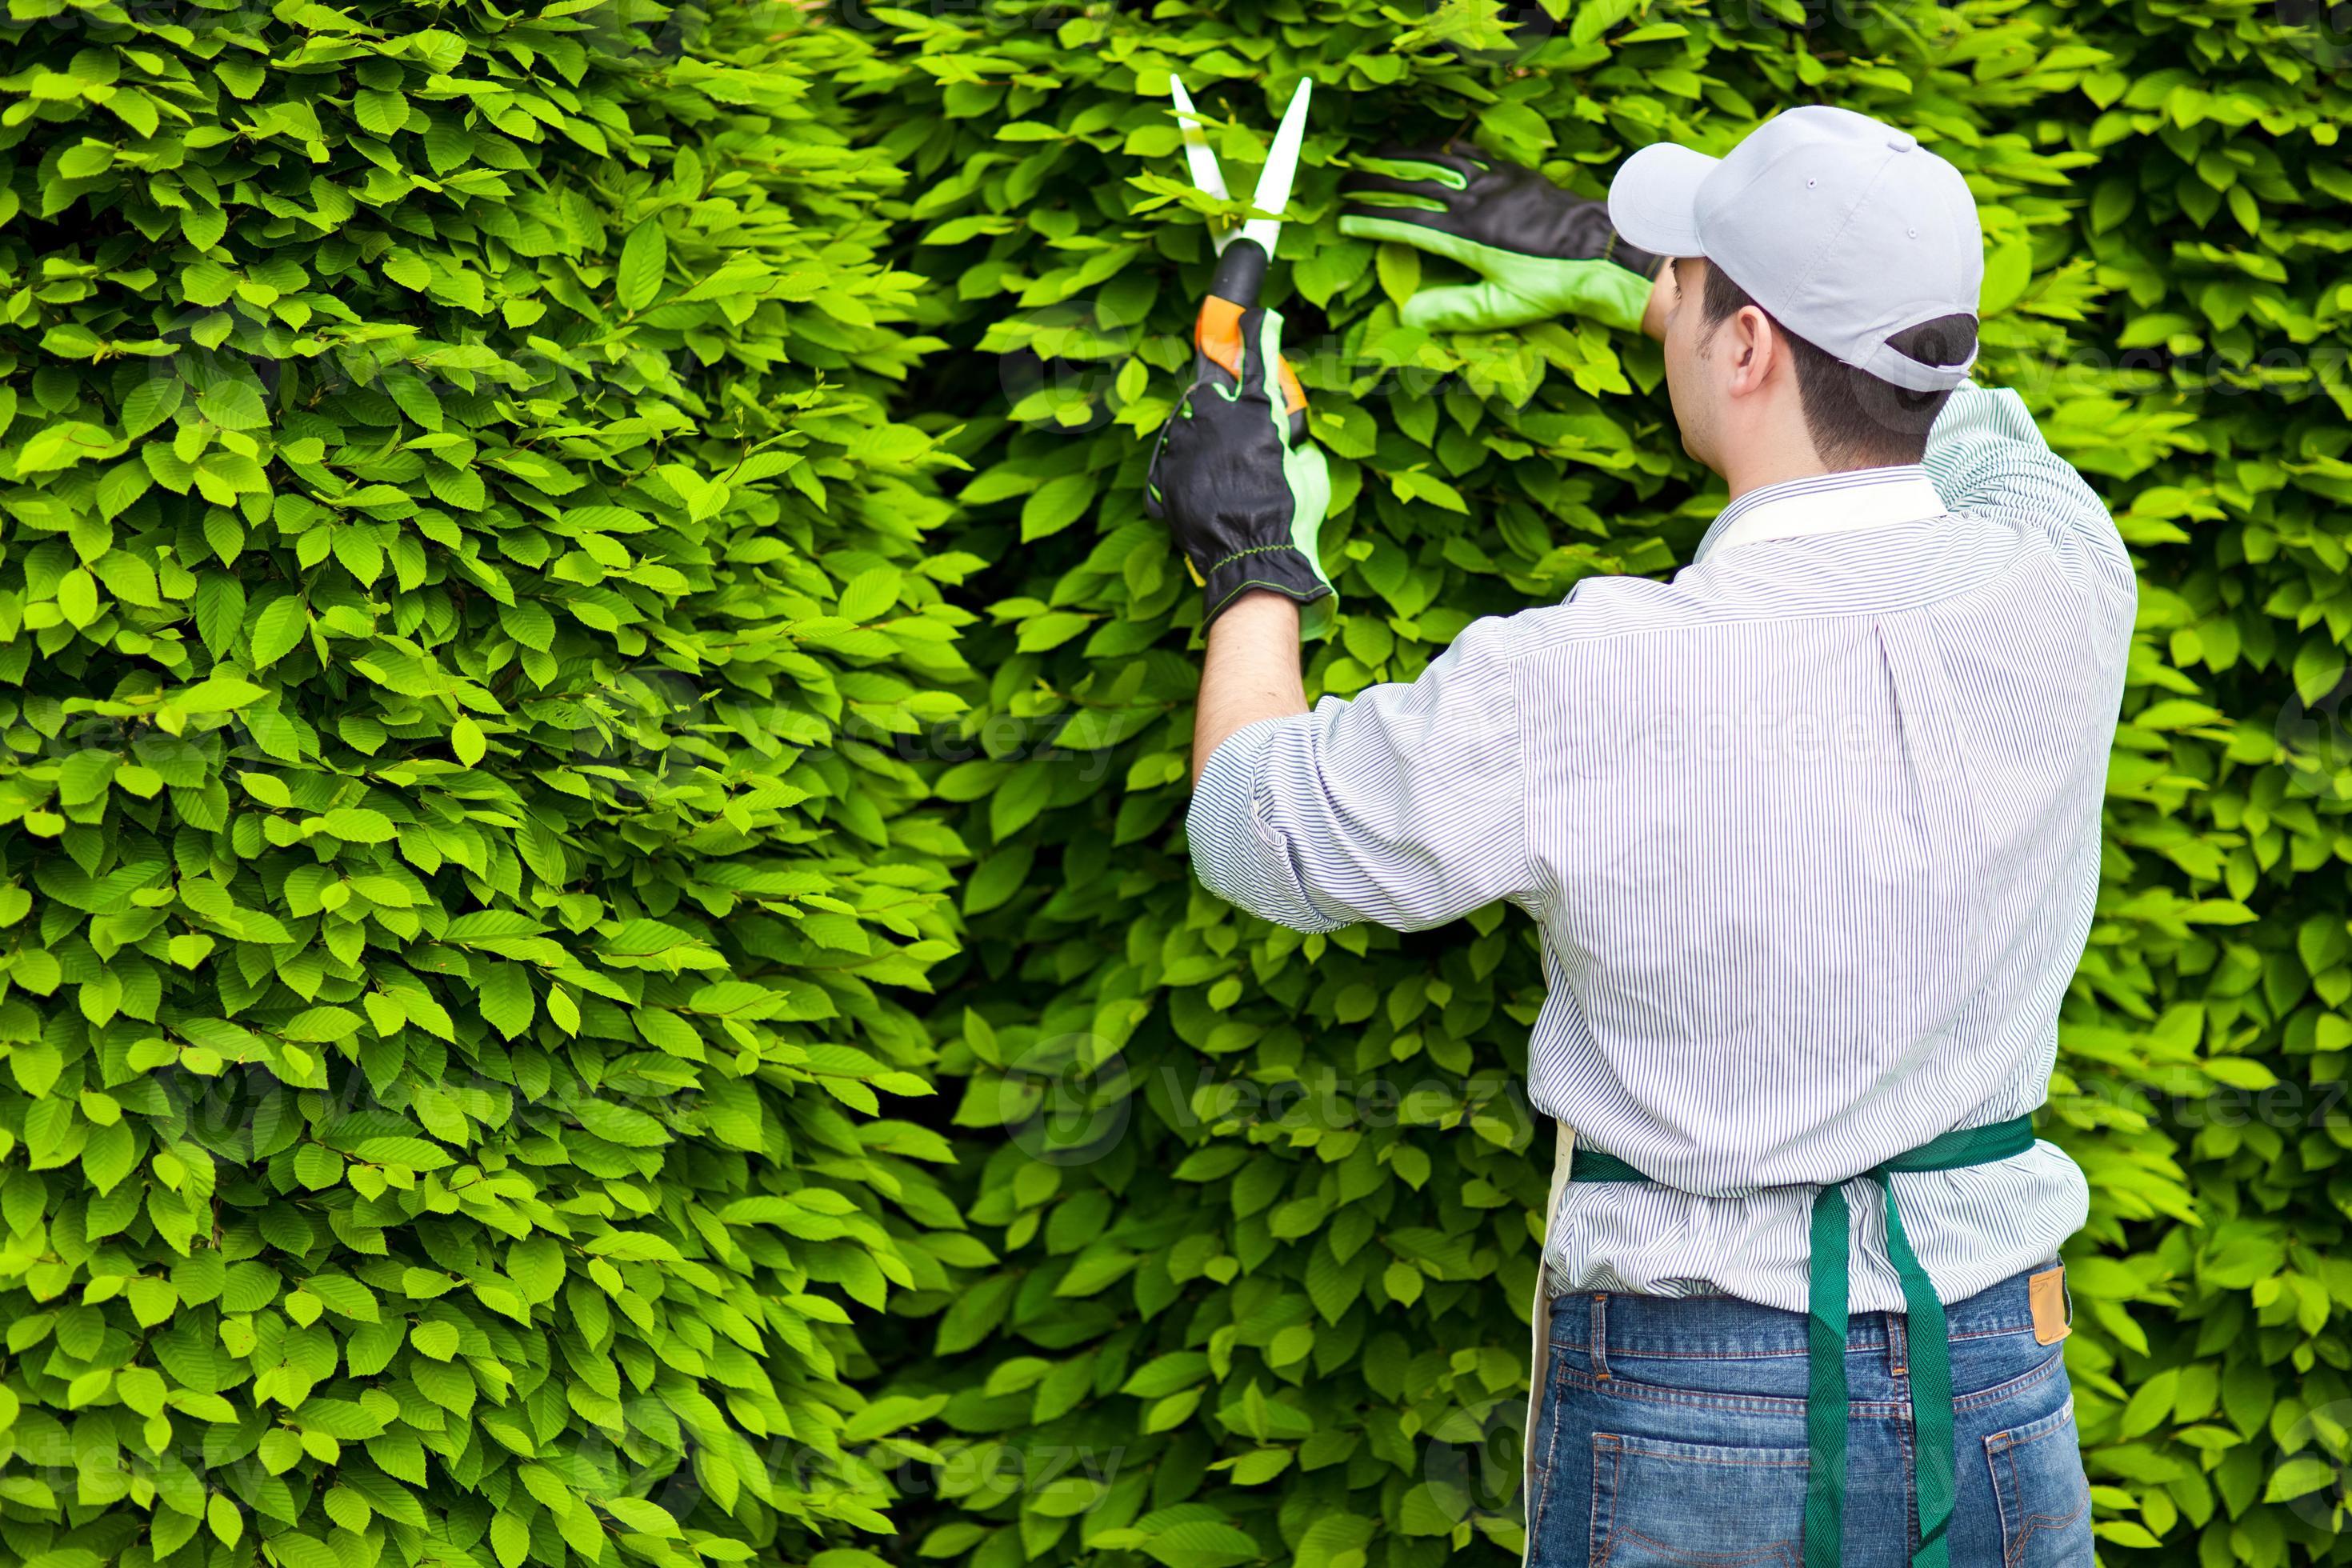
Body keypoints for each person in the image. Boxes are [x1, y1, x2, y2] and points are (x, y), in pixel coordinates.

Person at [1142, 106, 2123, 1566]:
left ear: (1749, 350)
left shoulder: (1592, 674)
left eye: (1688, 286)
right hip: (1993, 1380)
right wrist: (1665, 270)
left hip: (1689, 1397)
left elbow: (1257, 823)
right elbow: (1975, 419)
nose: (1657, 297)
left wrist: (1251, 560)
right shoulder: (2066, 575)